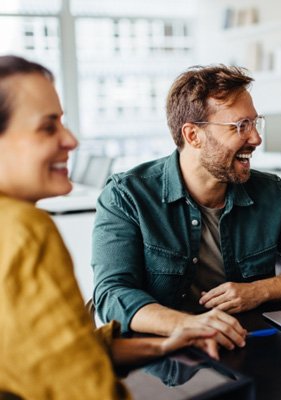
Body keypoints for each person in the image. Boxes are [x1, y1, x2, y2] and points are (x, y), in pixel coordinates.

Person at [0, 55, 218, 399]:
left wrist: (159, 347)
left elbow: (47, 356)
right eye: (48, 126)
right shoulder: (24, 229)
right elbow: (82, 387)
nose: (70, 139)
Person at [92, 65, 281, 350]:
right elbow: (112, 293)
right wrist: (187, 324)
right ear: (193, 135)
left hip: (248, 347)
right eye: (241, 126)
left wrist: (259, 290)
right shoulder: (126, 195)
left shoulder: (271, 192)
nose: (256, 139)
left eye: (256, 123)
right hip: (163, 358)